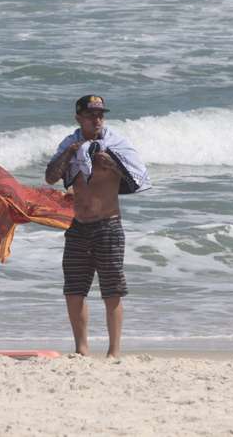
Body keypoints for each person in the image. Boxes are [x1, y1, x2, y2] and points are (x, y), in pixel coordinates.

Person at [45, 95, 150, 358]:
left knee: (112, 290)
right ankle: (81, 349)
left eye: (101, 114)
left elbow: (138, 179)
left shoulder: (117, 144)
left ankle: (114, 351)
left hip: (108, 226)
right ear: (79, 117)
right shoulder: (70, 144)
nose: (97, 119)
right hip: (79, 225)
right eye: (91, 115)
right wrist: (70, 153)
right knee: (73, 289)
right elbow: (51, 176)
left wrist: (112, 164)